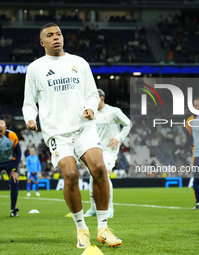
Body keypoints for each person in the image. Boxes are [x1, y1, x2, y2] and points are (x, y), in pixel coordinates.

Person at [22, 23, 122, 249]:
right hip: (57, 132)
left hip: (83, 127)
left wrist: (91, 108)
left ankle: (103, 228)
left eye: (58, 34)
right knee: (70, 175)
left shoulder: (80, 62)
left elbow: (91, 94)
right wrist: (30, 118)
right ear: (42, 42)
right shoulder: (35, 68)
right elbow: (29, 103)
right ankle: (81, 230)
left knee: (99, 168)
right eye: (50, 35)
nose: (56, 38)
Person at [84, 88, 131, 218]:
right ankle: (93, 208)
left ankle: (109, 208)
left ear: (102, 99)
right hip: (95, 150)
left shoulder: (114, 111)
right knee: (92, 178)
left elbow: (128, 124)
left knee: (104, 175)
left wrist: (118, 138)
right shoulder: (92, 114)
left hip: (109, 150)